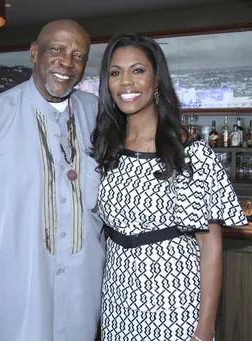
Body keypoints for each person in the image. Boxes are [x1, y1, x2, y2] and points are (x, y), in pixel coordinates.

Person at [0, 19, 104, 341]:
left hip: (85, 291)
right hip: (17, 292)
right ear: (34, 53)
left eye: (78, 56)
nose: (67, 63)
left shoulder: (99, 116)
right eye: (57, 50)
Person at [91, 33, 247, 341]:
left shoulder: (190, 154)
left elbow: (210, 249)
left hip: (174, 302)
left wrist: (204, 331)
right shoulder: (106, 148)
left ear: (157, 79)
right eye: (115, 72)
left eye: (138, 70)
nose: (126, 82)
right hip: (117, 301)